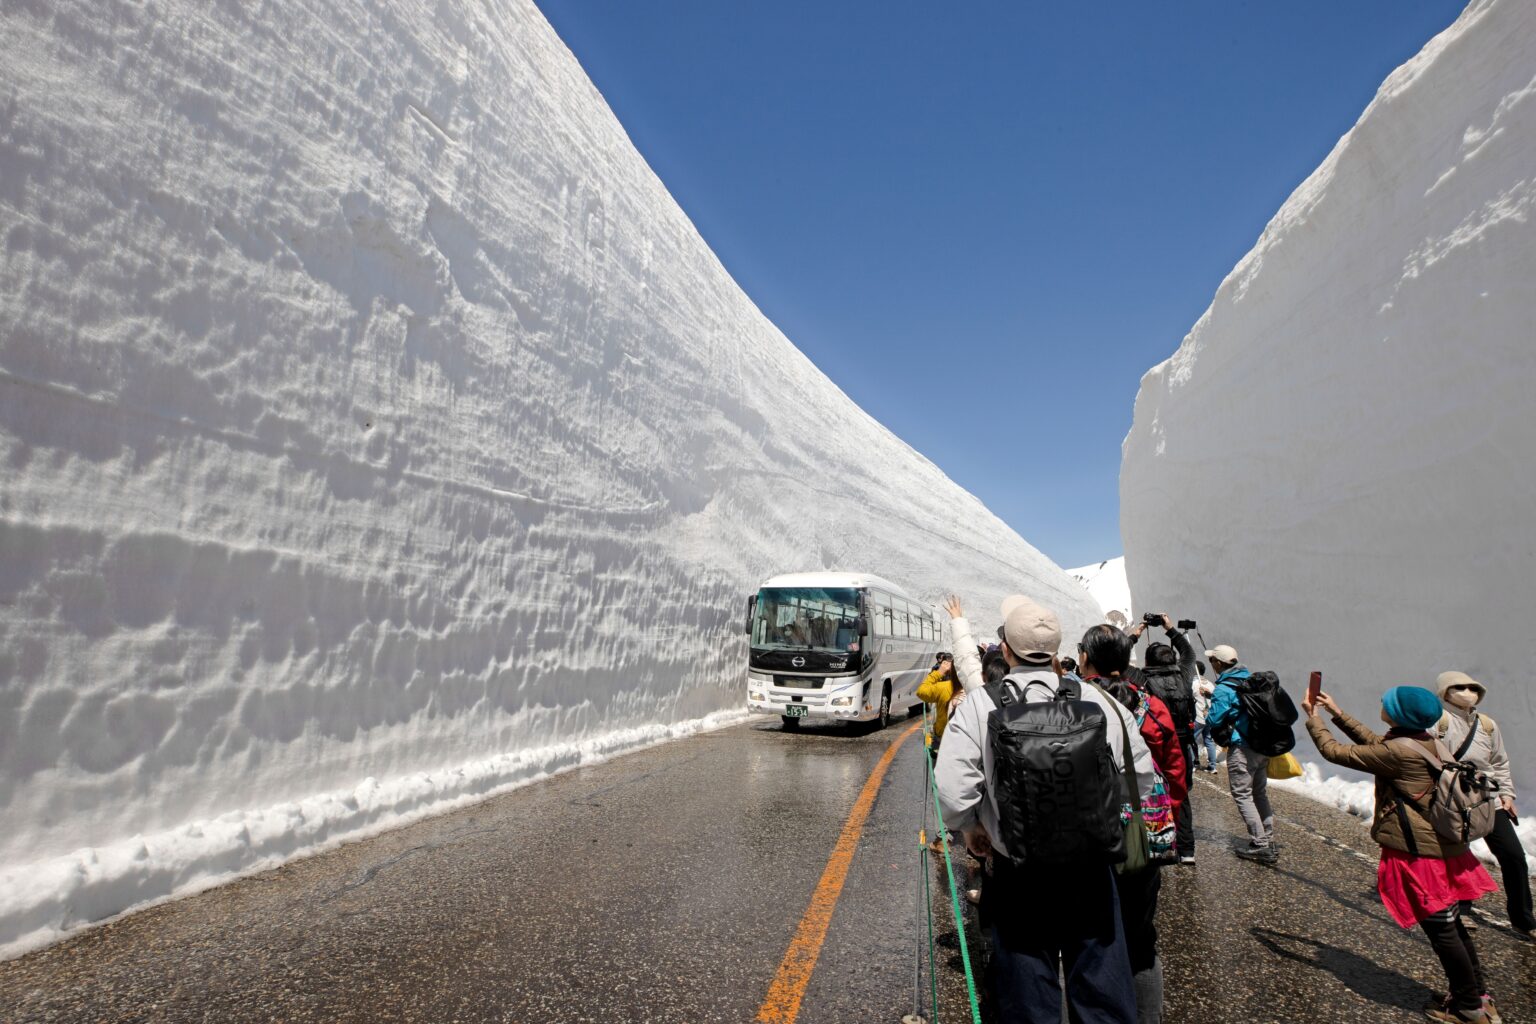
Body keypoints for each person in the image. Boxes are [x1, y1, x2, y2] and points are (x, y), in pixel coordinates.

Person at [936, 596, 1155, 1024]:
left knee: (1027, 998)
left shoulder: (982, 704)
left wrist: (972, 828)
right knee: (1102, 996)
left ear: (1005, 650)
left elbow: (952, 792)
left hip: (1019, 871)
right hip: (1092, 868)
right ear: (1058, 652)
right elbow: (1140, 779)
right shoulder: (1100, 702)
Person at [1303, 685, 1500, 1023]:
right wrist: (1337, 713)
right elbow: (1376, 744)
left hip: (1421, 855)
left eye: (1388, 702)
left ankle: (1469, 1008)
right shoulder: (1424, 741)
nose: (1382, 702)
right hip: (1444, 848)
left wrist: (1314, 718)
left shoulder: (1400, 751)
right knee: (1452, 926)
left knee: (1443, 932)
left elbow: (1335, 752)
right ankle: (1476, 995)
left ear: (1399, 715)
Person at [1080, 624, 1185, 1023]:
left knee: (1090, 936)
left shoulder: (1076, 703)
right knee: (1141, 938)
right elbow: (1174, 768)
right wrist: (1165, 816)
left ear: (1085, 658)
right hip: (1144, 830)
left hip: (1092, 834)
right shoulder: (1150, 704)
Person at [1435, 670, 1535, 937]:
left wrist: (1507, 794)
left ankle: (1524, 920)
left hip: (1488, 798)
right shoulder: (1437, 721)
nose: (1468, 692)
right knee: (1459, 854)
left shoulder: (1487, 725)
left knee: (1514, 856)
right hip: (1454, 797)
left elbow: (1499, 762)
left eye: (1473, 688)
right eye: (1459, 687)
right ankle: (1461, 910)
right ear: (1444, 691)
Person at [1128, 615, 1199, 864]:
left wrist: (1136, 633)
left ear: (1148, 661)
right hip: (1184, 743)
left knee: (1152, 791)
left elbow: (1118, 659)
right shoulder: (1185, 674)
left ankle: (1156, 840)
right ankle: (1187, 850)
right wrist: (1170, 629)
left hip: (1154, 744)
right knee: (1182, 792)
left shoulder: (1141, 678)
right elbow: (1188, 652)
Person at [1205, 643, 1278, 863]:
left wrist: (1211, 703)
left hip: (1242, 747)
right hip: (1261, 746)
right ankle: (1269, 838)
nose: (1211, 663)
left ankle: (1260, 844)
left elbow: (1214, 719)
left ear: (1219, 663)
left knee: (1242, 794)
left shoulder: (1224, 688)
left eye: (1212, 660)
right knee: (1259, 793)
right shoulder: (1251, 680)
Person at [1191, 664, 1218, 772]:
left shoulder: (1193, 684)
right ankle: (1212, 766)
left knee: (1191, 740)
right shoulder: (1210, 684)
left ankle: (1193, 763)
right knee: (1208, 740)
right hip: (1209, 717)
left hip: (1198, 717)